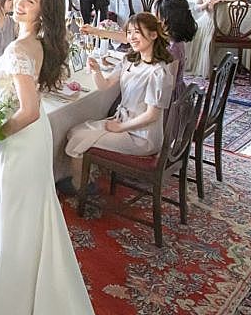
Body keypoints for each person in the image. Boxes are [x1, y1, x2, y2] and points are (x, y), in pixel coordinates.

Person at [0, 0, 184, 315]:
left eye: (30, 1)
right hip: (29, 143)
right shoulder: (37, 44)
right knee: (27, 220)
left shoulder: (21, 48)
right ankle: (28, 295)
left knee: (18, 223)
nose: (20, 3)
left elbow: (29, 110)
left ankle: (17, 311)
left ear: (43, 12)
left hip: (20, 143)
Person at [66, 12, 176, 194]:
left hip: (141, 136)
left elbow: (152, 116)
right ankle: (88, 176)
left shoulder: (158, 73)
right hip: (122, 121)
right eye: (129, 32)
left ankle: (80, 187)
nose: (131, 37)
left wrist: (120, 127)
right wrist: (96, 71)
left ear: (153, 35)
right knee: (73, 132)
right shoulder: (129, 60)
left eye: (137, 32)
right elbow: (105, 85)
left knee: (78, 139)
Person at [83, 0, 196, 100]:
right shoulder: (164, 35)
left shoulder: (173, 47)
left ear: (166, 20)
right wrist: (96, 31)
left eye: (156, 17)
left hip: (164, 100)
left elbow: (169, 86)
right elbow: (127, 38)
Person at [185, 0, 244, 76]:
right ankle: (190, 63)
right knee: (190, 31)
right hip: (206, 18)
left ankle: (207, 67)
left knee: (203, 33)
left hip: (218, 21)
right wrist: (204, 4)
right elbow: (196, 8)